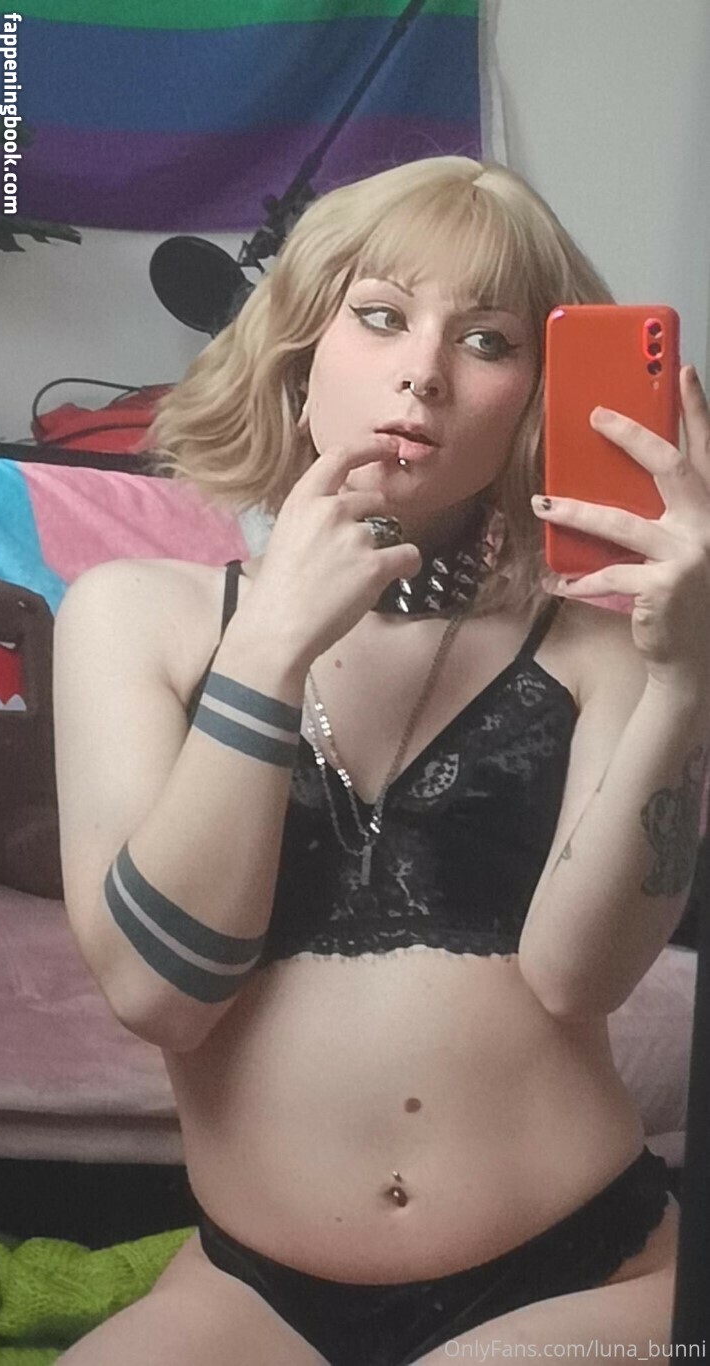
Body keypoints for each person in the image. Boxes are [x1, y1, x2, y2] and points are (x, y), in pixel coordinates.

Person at [52, 156, 710, 1365]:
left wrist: (684, 682)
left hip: (590, 1268)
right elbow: (160, 994)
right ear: (301, 348)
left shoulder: (603, 642)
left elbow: (580, 978)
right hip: (255, 1293)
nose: (425, 371)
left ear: (536, 396)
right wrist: (269, 649)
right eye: (381, 315)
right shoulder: (133, 614)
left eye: (488, 339)